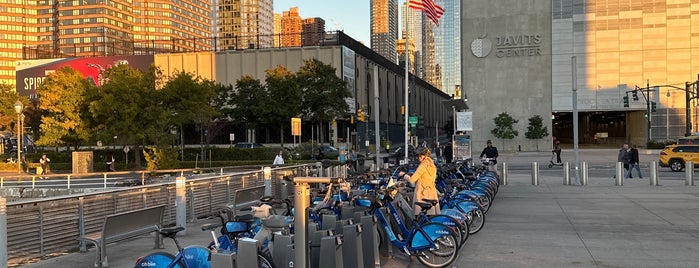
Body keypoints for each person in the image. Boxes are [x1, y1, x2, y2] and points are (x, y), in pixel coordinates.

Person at [398, 147, 440, 217]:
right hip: (431, 192)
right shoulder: (432, 165)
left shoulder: (422, 166)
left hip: (422, 193)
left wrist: (404, 175)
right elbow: (424, 176)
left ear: (423, 156)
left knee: (420, 216)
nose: (419, 158)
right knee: (431, 216)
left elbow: (412, 180)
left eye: (420, 156)